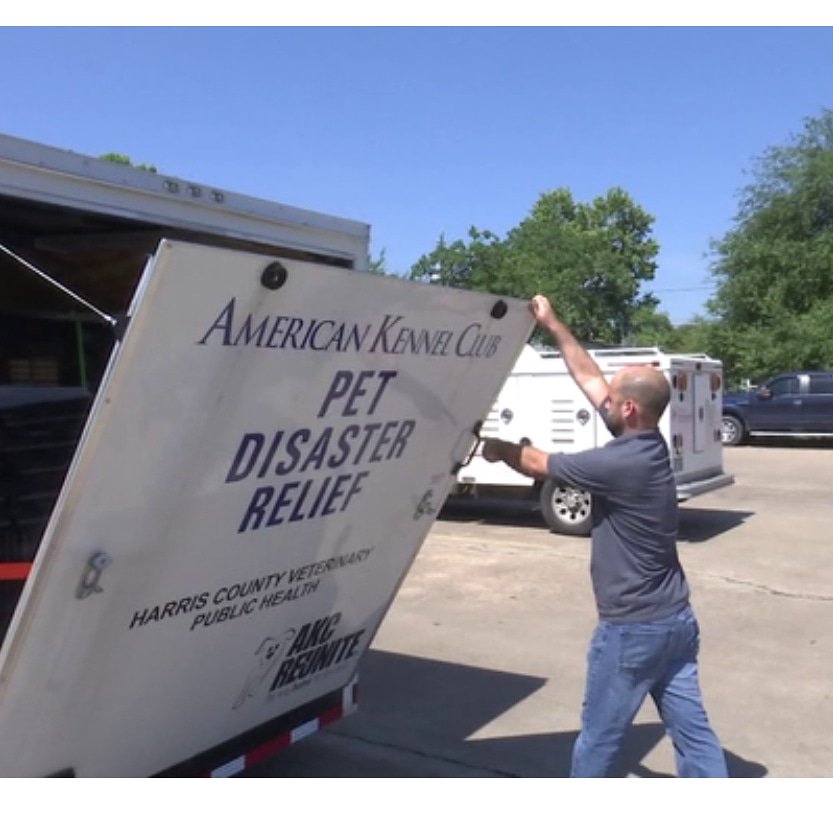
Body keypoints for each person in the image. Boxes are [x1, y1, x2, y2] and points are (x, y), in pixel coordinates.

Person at [481, 295, 728, 778]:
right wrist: (553, 325)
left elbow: (537, 463)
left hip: (632, 631)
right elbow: (591, 378)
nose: (603, 400)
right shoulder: (647, 441)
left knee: (598, 741)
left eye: (613, 399)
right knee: (694, 736)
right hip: (675, 623)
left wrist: (496, 446)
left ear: (629, 407)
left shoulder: (619, 464)